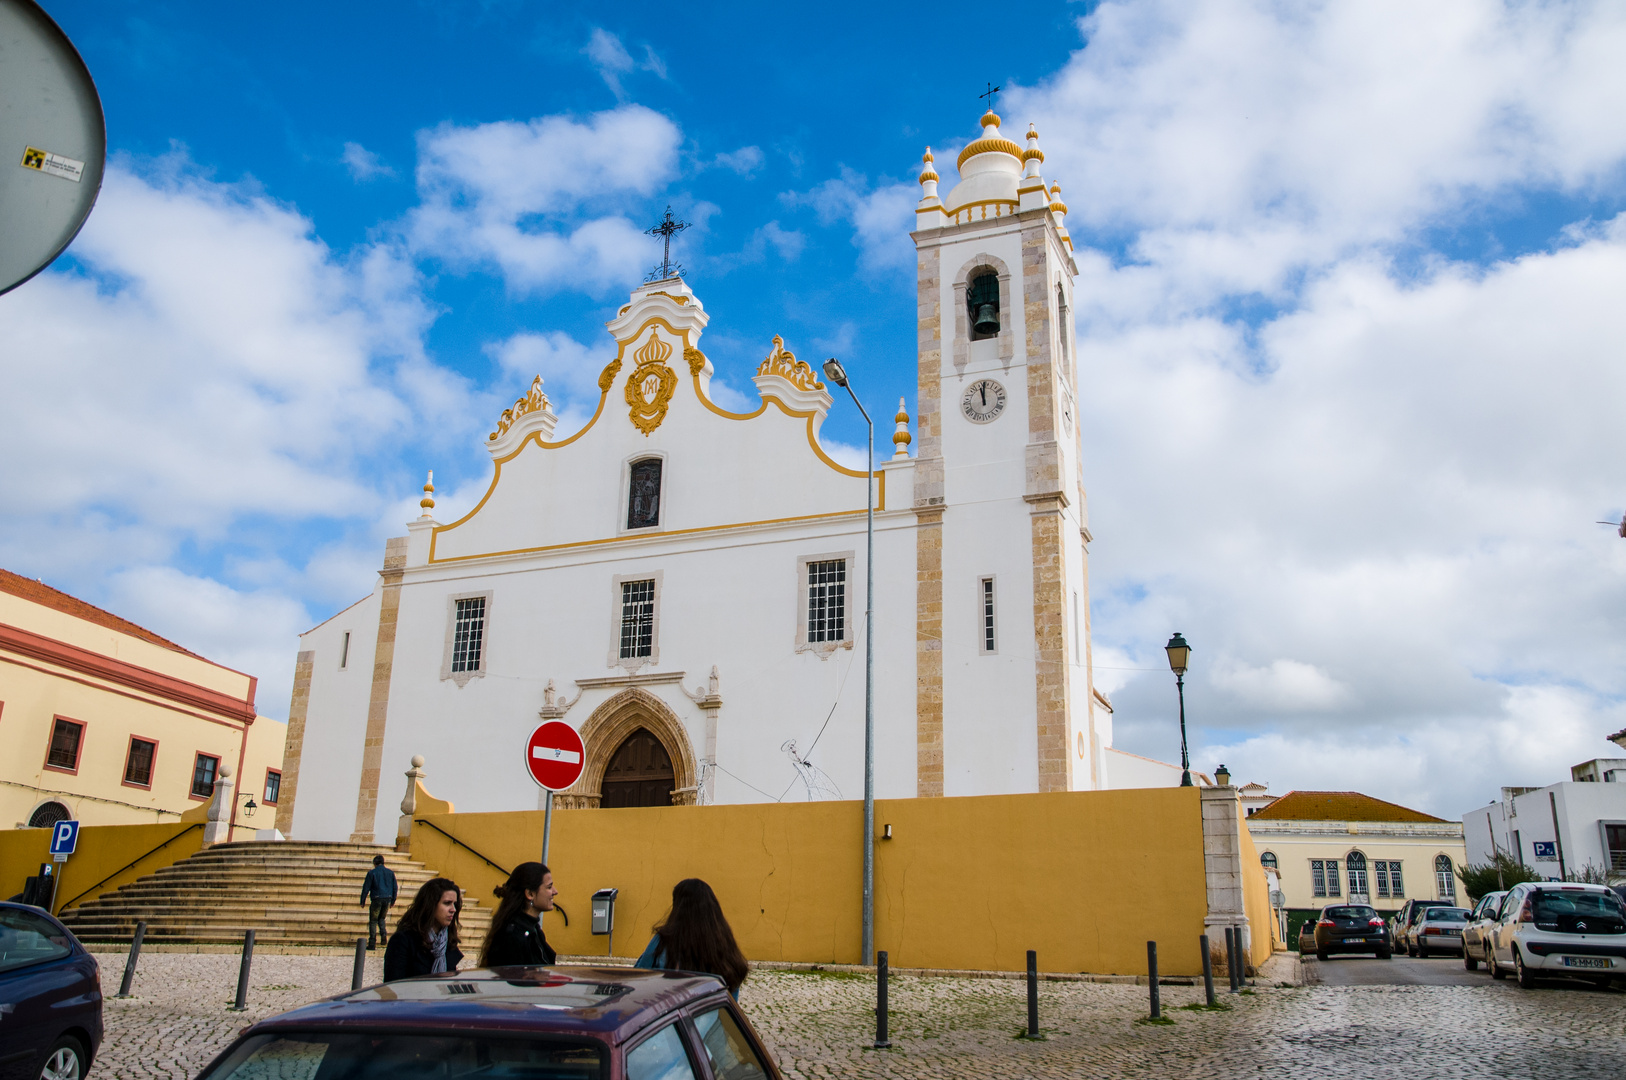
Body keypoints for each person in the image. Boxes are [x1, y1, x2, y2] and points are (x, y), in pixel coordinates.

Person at [634, 878, 748, 999]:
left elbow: (637, 977)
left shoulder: (664, 941)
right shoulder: (724, 944)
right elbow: (732, 995)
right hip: (712, 1015)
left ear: (678, 908)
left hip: (670, 1013)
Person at [479, 862, 559, 967]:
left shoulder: (533, 929)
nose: (555, 891)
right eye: (549, 887)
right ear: (530, 894)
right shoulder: (513, 935)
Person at [383, 877, 463, 981]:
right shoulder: (404, 940)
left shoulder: (448, 941)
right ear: (431, 904)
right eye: (447, 903)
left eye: (455, 904)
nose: (453, 909)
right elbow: (393, 986)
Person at [359, 854, 398, 951]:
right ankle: (383, 935)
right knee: (382, 918)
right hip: (387, 898)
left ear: (374, 863)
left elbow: (366, 887)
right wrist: (393, 900)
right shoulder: (390, 873)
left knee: (373, 920)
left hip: (376, 898)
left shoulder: (372, 873)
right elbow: (395, 887)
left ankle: (372, 942)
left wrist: (363, 900)